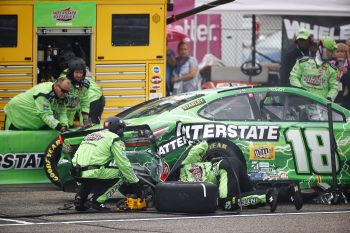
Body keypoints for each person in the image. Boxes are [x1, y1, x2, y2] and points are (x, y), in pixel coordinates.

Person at [179, 141, 288, 212]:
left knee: (227, 203)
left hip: (224, 170)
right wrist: (198, 144)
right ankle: (288, 192)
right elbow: (203, 145)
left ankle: (268, 196)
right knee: (251, 200)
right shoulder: (186, 164)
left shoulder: (185, 184)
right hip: (232, 163)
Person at [72, 116, 139, 211]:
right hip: (93, 172)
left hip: (77, 172)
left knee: (89, 177)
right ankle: (97, 201)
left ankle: (80, 199)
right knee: (122, 173)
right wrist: (135, 182)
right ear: (118, 129)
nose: (122, 132)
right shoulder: (114, 138)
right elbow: (124, 164)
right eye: (122, 129)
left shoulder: (91, 135)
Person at [4, 77, 70, 132]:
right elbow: (46, 114)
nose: (65, 94)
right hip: (16, 115)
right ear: (56, 86)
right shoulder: (44, 94)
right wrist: (59, 126)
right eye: (63, 91)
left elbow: (62, 113)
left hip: (31, 121)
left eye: (67, 92)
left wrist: (65, 125)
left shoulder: (62, 96)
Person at [289, 36, 338, 101]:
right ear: (320, 48)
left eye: (332, 51)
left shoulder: (333, 70)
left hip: (321, 106)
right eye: (328, 50)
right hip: (301, 101)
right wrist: (300, 90)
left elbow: (334, 87)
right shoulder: (302, 62)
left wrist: (329, 98)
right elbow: (293, 76)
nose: (330, 53)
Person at [64, 57, 91, 127]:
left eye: (81, 72)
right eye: (76, 72)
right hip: (59, 118)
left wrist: (86, 121)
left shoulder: (84, 85)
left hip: (69, 121)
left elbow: (85, 103)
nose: (79, 75)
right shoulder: (63, 83)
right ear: (71, 72)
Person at [333, 43, 350, 107]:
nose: (340, 53)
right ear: (335, 53)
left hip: (345, 101)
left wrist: (346, 73)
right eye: (337, 51)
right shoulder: (331, 65)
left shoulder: (348, 66)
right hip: (333, 98)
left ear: (346, 54)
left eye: (342, 51)